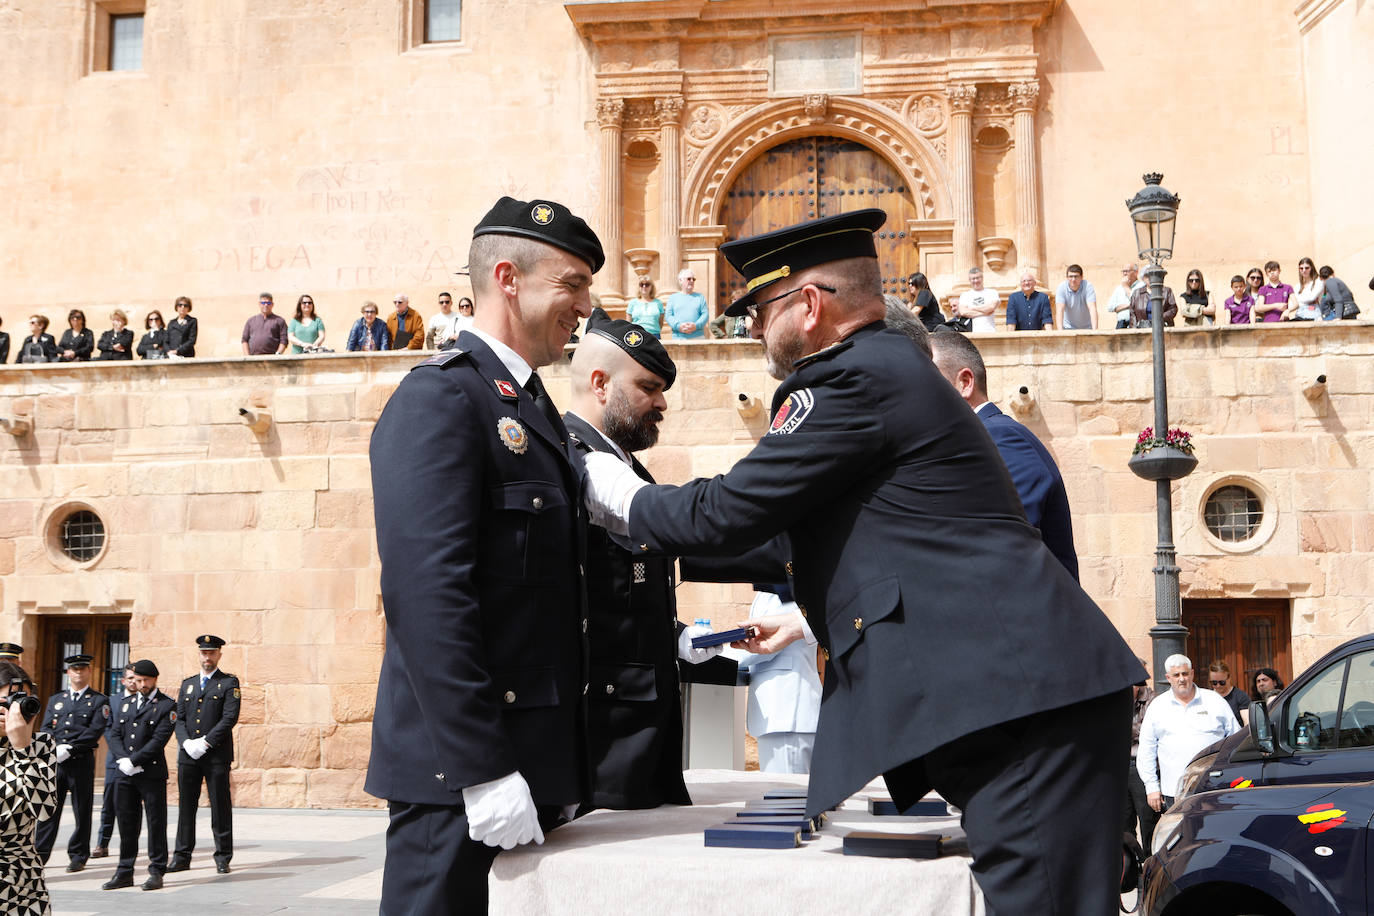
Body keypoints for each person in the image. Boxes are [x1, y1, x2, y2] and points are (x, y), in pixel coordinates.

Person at [583, 208, 1145, 915]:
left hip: (1016, 704)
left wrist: (611, 492)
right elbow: (797, 539)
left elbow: (730, 511)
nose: (754, 328)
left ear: (809, 305)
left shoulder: (851, 381)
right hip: (1017, 698)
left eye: (761, 309)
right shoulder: (892, 370)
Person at [366, 196, 600, 914]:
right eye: (572, 284)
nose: (585, 306)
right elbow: (429, 598)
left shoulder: (532, 410)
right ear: (507, 277)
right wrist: (482, 770)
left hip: (530, 765)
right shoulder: (442, 399)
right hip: (460, 780)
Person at [564, 309, 731, 810]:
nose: (661, 403)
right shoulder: (573, 462)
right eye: (648, 387)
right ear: (600, 383)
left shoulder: (627, 467)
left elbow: (621, 596)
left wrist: (677, 636)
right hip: (605, 733)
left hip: (645, 725)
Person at [929, 328, 1078, 579]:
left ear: (964, 383)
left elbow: (1004, 543)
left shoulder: (1000, 437)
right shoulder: (983, 438)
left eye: (928, 380)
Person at [102, 658, 176, 891]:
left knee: (155, 822)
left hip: (150, 772)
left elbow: (159, 739)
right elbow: (114, 733)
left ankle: (156, 870)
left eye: (145, 680)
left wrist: (135, 760)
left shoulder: (166, 705)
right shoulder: (126, 703)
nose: (141, 684)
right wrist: (123, 759)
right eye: (138, 680)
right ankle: (124, 871)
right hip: (125, 772)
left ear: (155, 679)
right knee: (126, 822)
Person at [169, 634, 240, 875]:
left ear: (219, 654)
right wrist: (186, 742)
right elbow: (179, 717)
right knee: (186, 806)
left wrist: (206, 742)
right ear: (198, 654)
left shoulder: (229, 683)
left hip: (215, 755)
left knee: (220, 805)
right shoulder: (187, 683)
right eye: (203, 652)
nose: (207, 657)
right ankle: (181, 856)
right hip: (189, 755)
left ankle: (222, 856)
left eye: (211, 652)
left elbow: (229, 717)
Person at [1136, 654, 1240, 815]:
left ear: (1192, 673)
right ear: (1168, 677)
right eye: (1176, 675)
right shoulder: (1157, 706)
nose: (1182, 679)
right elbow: (1146, 751)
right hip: (1175, 793)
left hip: (1215, 787)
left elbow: (1236, 740)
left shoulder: (1214, 701)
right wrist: (1152, 788)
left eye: (1185, 674)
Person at [734, 585, 821, 774]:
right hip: (782, 714)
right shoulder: (769, 590)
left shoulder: (784, 589)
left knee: (786, 797)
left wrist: (716, 652)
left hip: (787, 713)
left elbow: (765, 645)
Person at [35, 653, 109, 873]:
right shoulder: (56, 699)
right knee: (48, 810)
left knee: (82, 809)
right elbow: (46, 726)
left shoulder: (98, 700)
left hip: (80, 761)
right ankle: (40, 854)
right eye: (74, 669)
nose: (78, 672)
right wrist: (54, 747)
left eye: (82, 669)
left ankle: (78, 855)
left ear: (89, 672)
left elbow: (95, 730)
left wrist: (71, 748)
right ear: (68, 672)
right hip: (56, 761)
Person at [0, 659, 57, 914]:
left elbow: (44, 811)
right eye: (6, 703)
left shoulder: (41, 744)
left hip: (22, 881)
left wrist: (22, 749)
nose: (15, 712)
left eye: (20, 703)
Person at [93, 663, 136, 858]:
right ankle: (102, 843)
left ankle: (130, 846)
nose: (133, 682)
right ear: (123, 680)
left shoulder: (144, 700)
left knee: (133, 806)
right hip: (115, 761)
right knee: (109, 804)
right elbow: (107, 729)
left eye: (136, 678)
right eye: (130, 678)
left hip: (137, 760)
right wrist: (121, 753)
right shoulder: (112, 701)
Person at [1124, 664, 1156, 849]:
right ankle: (1129, 866)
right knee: (1123, 820)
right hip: (1119, 763)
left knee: (1147, 818)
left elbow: (1146, 732)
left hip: (1140, 764)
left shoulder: (1152, 699)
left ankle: (1151, 862)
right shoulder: (1117, 699)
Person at [664, 268, 708, 338]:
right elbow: (668, 316)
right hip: (678, 338)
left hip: (698, 337)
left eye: (693, 279)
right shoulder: (673, 298)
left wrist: (695, 326)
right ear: (680, 281)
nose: (691, 281)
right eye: (689, 279)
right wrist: (679, 326)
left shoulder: (700, 297)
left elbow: (705, 315)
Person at [954, 265, 999, 331]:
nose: (976, 281)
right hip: (973, 332)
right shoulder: (965, 295)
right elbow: (963, 312)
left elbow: (991, 307)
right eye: (973, 279)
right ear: (969, 280)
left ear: (982, 278)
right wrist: (985, 312)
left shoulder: (992, 292)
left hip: (990, 330)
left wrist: (972, 308)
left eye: (978, 278)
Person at [1053, 264, 1097, 330]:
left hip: (1087, 328)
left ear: (1082, 277)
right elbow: (1060, 310)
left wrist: (1095, 331)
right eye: (1071, 276)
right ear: (1067, 277)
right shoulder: (1061, 287)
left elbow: (1092, 308)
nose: (1073, 279)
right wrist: (1060, 332)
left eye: (1076, 276)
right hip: (1068, 328)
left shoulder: (1088, 286)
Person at [1207, 660, 1250, 725]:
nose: (1218, 686)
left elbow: (1247, 724)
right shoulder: (1207, 698)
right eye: (1214, 683)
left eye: (1222, 682)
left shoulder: (1240, 697)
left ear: (1229, 678)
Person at [1106, 263, 1142, 329]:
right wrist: (1128, 306)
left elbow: (1138, 302)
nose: (1124, 274)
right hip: (1121, 324)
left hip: (1136, 324)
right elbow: (1110, 307)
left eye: (1127, 271)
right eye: (1123, 271)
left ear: (1136, 273)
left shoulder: (1141, 286)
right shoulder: (1119, 288)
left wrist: (1126, 287)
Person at [1291, 257, 1322, 322]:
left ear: (1312, 268)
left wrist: (1299, 300)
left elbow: (1311, 298)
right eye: (1301, 268)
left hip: (1314, 313)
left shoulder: (1318, 282)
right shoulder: (1297, 286)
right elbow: (1294, 303)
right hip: (1300, 314)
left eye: (1307, 268)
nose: (1304, 270)